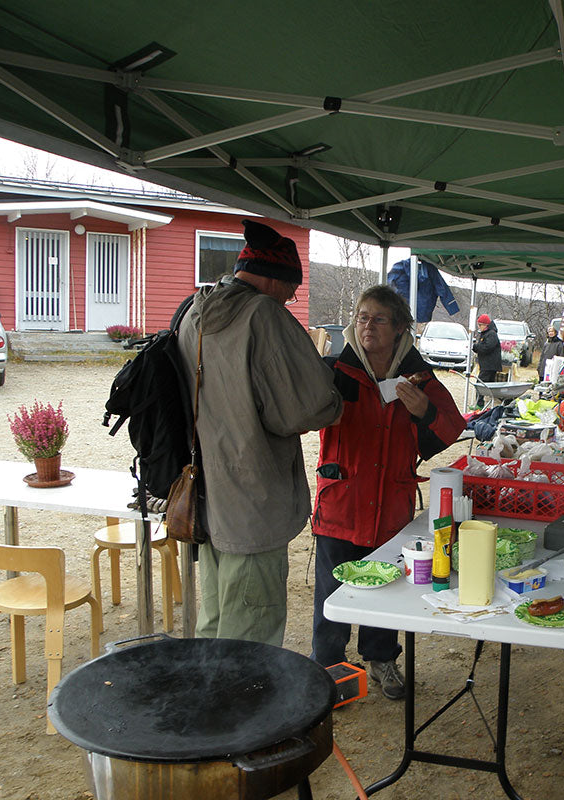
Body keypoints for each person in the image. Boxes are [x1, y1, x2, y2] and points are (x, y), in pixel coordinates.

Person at [176, 219, 343, 646]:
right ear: (273, 278)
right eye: (291, 288)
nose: (291, 297)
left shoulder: (195, 310)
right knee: (252, 636)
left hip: (206, 497)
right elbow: (304, 408)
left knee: (214, 625)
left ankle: (213, 708)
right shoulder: (264, 316)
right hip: (253, 498)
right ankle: (242, 711)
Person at [311, 285, 465, 699]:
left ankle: (381, 660)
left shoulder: (417, 375)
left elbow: (453, 426)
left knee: (387, 589)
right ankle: (328, 672)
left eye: (378, 319)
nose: (367, 325)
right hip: (341, 503)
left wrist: (424, 411)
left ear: (399, 329)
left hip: (390, 506)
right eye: (362, 316)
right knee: (332, 592)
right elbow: (298, 412)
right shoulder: (335, 372)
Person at [471, 313, 501, 408]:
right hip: (487, 364)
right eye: (478, 325)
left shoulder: (491, 334)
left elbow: (487, 347)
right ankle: (505, 400)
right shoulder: (486, 334)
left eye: (480, 325)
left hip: (490, 365)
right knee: (490, 387)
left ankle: (479, 404)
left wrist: (475, 347)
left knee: (480, 385)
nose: (479, 327)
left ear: (486, 325)